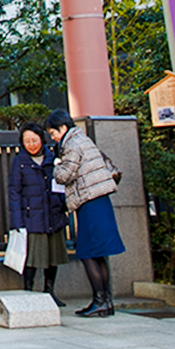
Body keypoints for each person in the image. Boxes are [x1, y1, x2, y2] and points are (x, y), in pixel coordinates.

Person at [46, 109, 126, 317]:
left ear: (62, 128)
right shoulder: (84, 140)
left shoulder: (71, 145)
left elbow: (64, 175)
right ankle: (106, 302)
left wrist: (55, 166)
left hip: (89, 202)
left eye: (53, 133)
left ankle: (99, 301)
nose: (52, 137)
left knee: (87, 252)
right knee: (99, 253)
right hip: (100, 200)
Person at [6, 122, 68, 306]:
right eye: (27, 141)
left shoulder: (53, 159)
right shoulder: (20, 162)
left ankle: (50, 292)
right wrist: (17, 221)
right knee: (31, 257)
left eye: (34, 140)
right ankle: (28, 291)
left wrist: (61, 206)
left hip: (52, 213)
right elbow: (14, 192)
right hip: (31, 216)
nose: (31, 144)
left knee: (52, 257)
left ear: (42, 139)